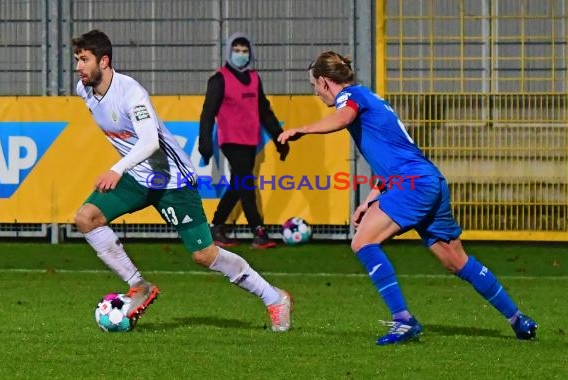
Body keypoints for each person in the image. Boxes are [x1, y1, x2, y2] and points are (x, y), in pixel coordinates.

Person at [278, 51, 537, 345]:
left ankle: (403, 320)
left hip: (412, 183)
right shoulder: (372, 99)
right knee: (456, 260)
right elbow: (392, 156)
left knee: (362, 241)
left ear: (325, 82)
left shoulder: (350, 98)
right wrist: (370, 199)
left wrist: (303, 129)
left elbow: (343, 117)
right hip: (430, 180)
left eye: (314, 86)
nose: (316, 93)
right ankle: (518, 320)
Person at [71, 29, 292, 331]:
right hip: (137, 178)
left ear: (104, 61)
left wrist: (116, 169)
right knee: (86, 218)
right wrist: (125, 170)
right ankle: (138, 286)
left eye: (84, 60)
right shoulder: (84, 90)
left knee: (204, 254)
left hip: (172, 181)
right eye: (77, 60)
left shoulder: (131, 93)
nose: (79, 67)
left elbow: (150, 142)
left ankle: (274, 298)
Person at [199, 32, 290, 249]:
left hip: (251, 141)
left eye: (244, 51)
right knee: (247, 183)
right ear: (229, 52)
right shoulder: (219, 79)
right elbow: (208, 113)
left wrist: (279, 139)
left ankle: (217, 226)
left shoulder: (254, 79)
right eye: (236, 50)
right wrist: (205, 143)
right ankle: (258, 231)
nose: (241, 54)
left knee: (238, 184)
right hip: (231, 141)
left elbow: (264, 112)